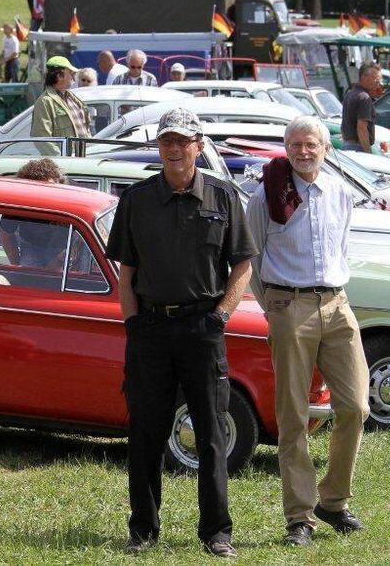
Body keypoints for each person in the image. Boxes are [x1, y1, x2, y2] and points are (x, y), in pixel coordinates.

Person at [105, 107, 257, 558]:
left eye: (182, 141)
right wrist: (132, 324)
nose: (174, 148)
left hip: (202, 328)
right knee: (146, 431)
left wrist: (221, 316)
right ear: (159, 145)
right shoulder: (137, 199)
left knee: (210, 433)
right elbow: (126, 270)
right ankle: (143, 530)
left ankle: (216, 532)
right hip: (150, 328)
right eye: (167, 140)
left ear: (198, 144)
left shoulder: (223, 197)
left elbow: (243, 265)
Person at [245, 116, 370, 548]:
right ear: (286, 147)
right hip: (288, 306)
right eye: (295, 144)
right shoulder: (266, 194)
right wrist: (274, 306)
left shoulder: (340, 192)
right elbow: (251, 257)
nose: (303, 151)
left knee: (356, 406)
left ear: (326, 148)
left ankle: (332, 501)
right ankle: (300, 516)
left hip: (337, 304)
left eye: (311, 143)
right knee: (293, 417)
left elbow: (342, 248)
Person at [0, 159, 69, 268]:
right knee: (28, 279)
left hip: (62, 246)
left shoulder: (70, 197)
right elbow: (6, 234)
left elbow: (81, 235)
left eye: (47, 189)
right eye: (37, 190)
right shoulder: (20, 202)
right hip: (31, 245)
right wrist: (16, 264)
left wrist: (64, 255)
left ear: (58, 183)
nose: (43, 195)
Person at [30, 56, 92, 149]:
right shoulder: (45, 102)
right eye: (71, 74)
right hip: (67, 162)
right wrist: (61, 160)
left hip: (84, 159)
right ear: (59, 76)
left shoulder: (72, 97)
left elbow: (85, 130)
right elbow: (42, 139)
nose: (74, 79)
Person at [341, 63, 381, 152]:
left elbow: (344, 124)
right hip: (358, 147)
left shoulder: (349, 94)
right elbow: (362, 128)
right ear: (364, 78)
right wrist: (367, 152)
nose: (378, 82)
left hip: (347, 145)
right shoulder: (364, 98)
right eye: (376, 78)